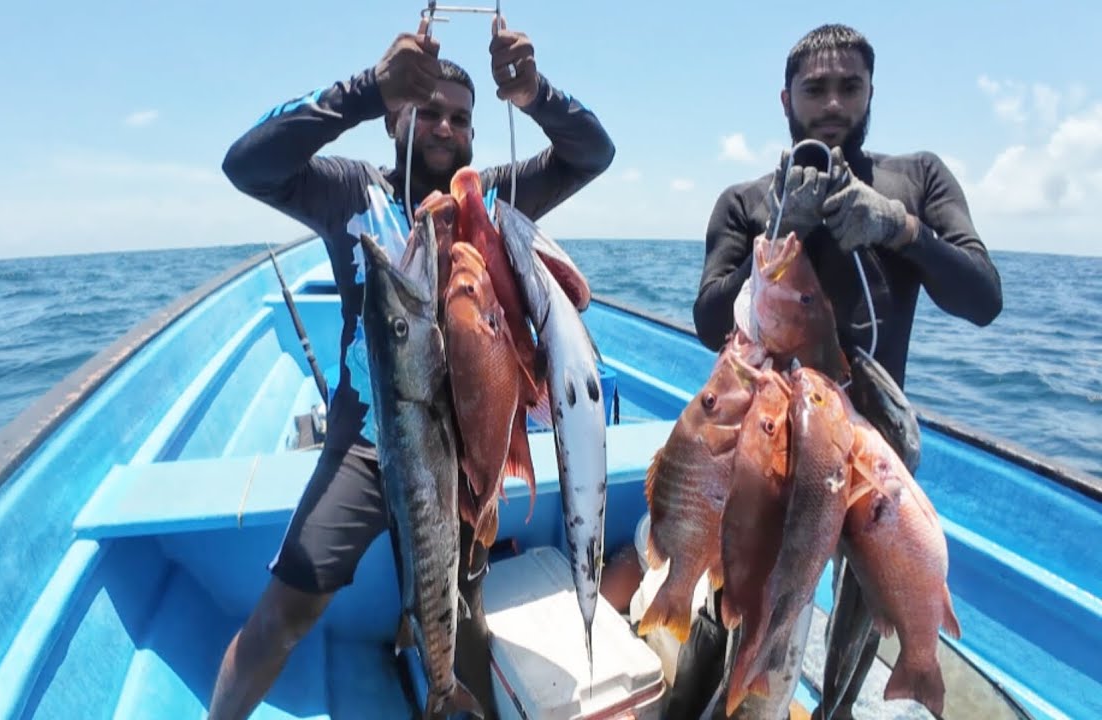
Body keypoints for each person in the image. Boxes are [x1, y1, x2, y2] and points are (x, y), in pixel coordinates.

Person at [208, 16, 615, 720]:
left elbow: (590, 155)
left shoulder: (486, 197)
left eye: (460, 118)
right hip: (369, 441)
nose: (444, 127)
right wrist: (367, 88)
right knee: (288, 607)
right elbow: (248, 165)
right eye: (426, 111)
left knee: (465, 611)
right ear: (395, 119)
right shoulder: (349, 191)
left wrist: (534, 93)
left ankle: (451, 688)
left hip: (470, 442)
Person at [678, 23, 1003, 719]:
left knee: (863, 624)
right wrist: (774, 235)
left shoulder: (915, 181)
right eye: (815, 88)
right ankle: (707, 701)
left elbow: (982, 297)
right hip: (765, 457)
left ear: (871, 93)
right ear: (786, 98)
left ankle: (839, 706)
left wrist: (902, 230)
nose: (832, 104)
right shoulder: (747, 202)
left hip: (874, 457)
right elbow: (709, 319)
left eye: (849, 87)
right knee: (741, 607)